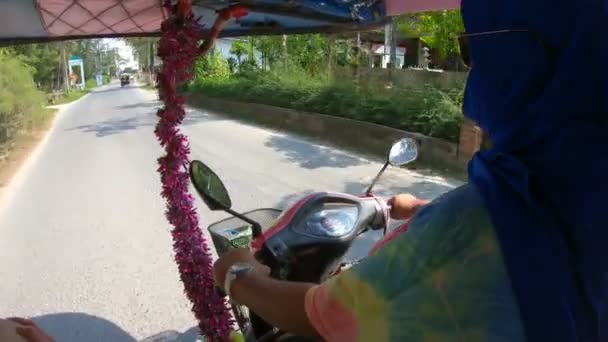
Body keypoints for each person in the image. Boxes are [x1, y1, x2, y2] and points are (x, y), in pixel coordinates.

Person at [213, 0, 607, 341]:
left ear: (523, 56)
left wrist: (239, 275)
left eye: (476, 50)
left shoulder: (476, 224)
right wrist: (422, 210)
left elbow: (321, 318)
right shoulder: (564, 189)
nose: (476, 72)